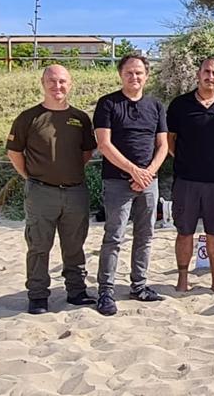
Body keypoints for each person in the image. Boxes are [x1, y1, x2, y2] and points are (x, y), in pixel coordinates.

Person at [6, 64, 97, 314]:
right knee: (38, 245)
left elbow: (87, 152)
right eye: (52, 81)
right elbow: (14, 152)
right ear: (43, 83)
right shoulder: (28, 117)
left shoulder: (80, 118)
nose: (57, 86)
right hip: (40, 192)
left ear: (70, 84)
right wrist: (31, 177)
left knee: (75, 245)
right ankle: (37, 295)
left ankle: (76, 290)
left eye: (62, 82)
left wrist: (68, 172)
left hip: (75, 192)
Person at [93, 54, 169, 316]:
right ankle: (105, 291)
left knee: (145, 235)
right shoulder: (107, 104)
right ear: (120, 74)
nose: (134, 77)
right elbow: (104, 144)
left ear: (146, 76)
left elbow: (163, 145)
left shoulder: (156, 106)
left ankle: (139, 285)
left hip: (149, 182)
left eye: (139, 73)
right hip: (117, 181)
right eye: (129, 72)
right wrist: (134, 171)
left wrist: (147, 174)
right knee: (114, 237)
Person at [167, 58, 214, 294]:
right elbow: (169, 141)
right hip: (186, 180)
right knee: (184, 231)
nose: (210, 76)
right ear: (198, 75)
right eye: (206, 72)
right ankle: (182, 279)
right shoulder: (180, 105)